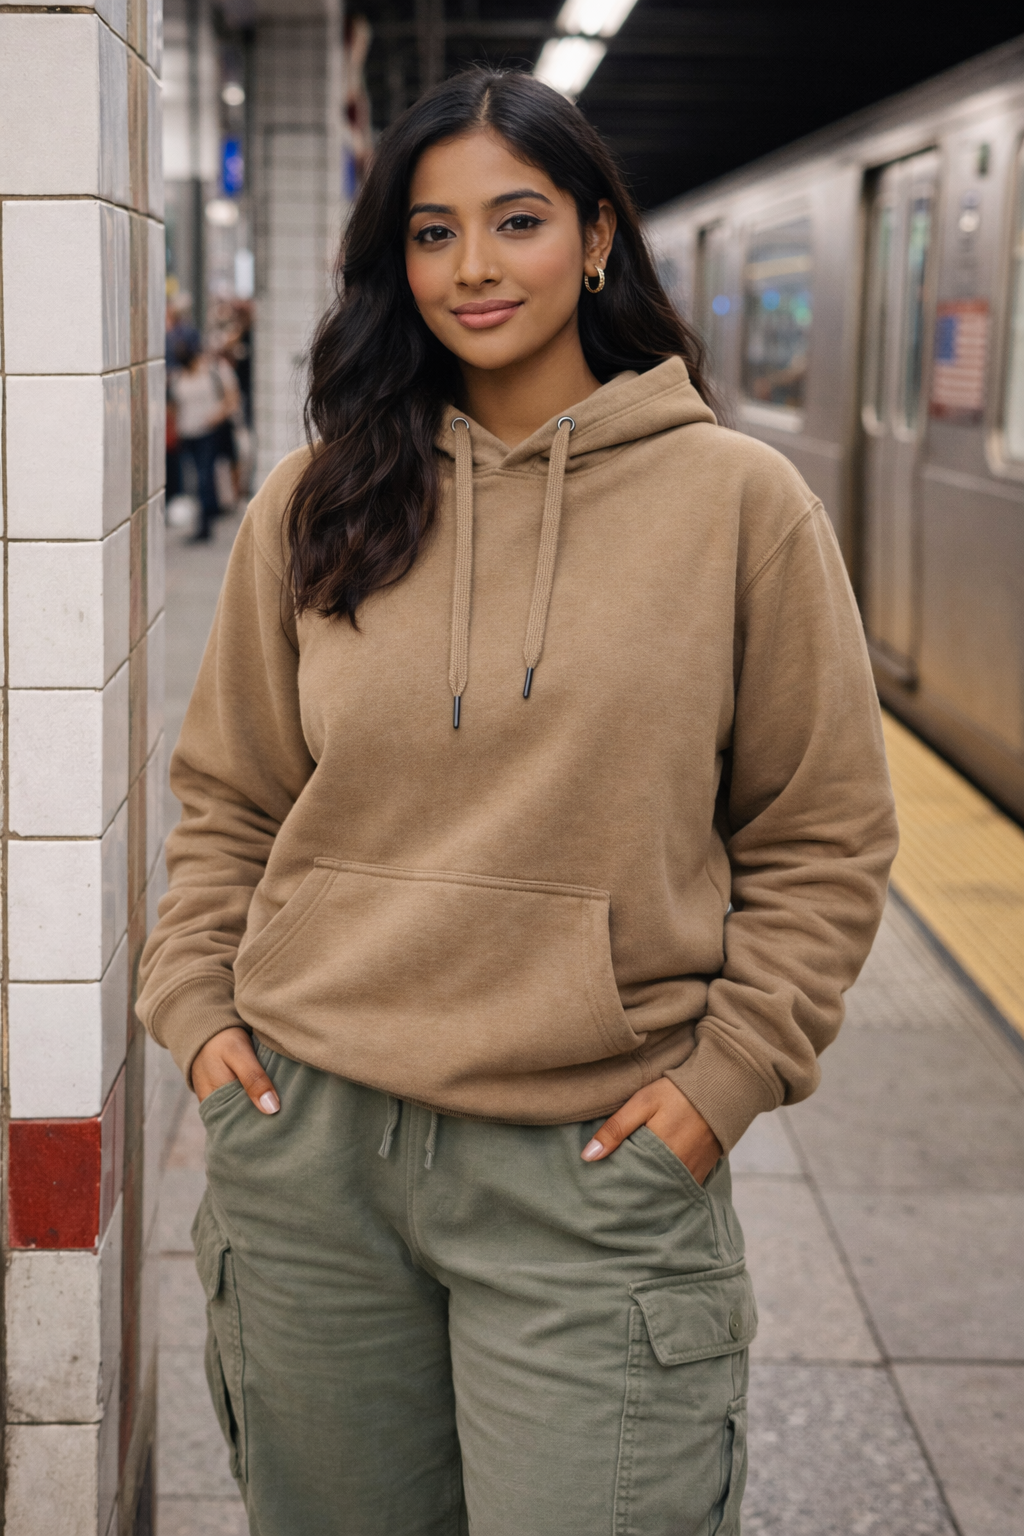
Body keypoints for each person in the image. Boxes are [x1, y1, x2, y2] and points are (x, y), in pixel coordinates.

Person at [138, 68, 897, 1536]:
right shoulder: (316, 501)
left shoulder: (741, 505)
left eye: (518, 220)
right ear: (393, 260)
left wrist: (729, 1077)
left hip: (590, 1169)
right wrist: (196, 1009)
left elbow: (821, 833)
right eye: (432, 233)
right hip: (311, 1152)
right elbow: (229, 793)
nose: (473, 267)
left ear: (598, 235)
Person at [167, 338, 241, 541]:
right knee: (196, 479)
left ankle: (205, 525)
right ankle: (208, 514)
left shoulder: (213, 371)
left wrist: (215, 417)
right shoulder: (178, 377)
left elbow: (232, 398)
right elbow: (175, 406)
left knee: (204, 477)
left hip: (208, 432)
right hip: (187, 434)